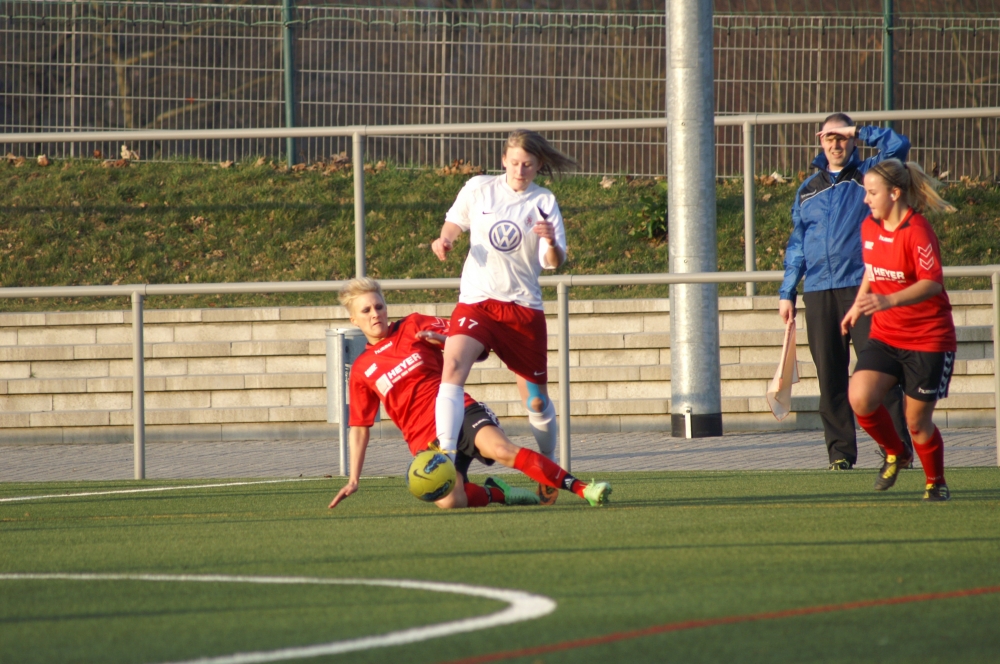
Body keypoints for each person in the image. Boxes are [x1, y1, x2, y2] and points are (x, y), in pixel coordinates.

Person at [327, 278, 612, 510]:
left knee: (502, 451)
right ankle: (498, 493)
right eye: (366, 311)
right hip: (423, 438)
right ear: (354, 319)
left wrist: (445, 341)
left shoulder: (414, 325)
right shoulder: (363, 368)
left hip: (458, 412)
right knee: (450, 500)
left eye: (379, 306)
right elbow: (360, 428)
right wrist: (354, 479)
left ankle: (583, 488)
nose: (375, 314)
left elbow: (472, 341)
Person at [431, 129, 577, 503]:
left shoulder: (544, 201)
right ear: (503, 160)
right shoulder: (479, 188)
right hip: (477, 301)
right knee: (452, 367)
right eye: (514, 163)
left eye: (528, 164)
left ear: (538, 165)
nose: (520, 170)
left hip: (522, 308)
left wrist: (550, 242)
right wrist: (445, 239)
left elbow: (553, 262)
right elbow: (455, 221)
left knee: (536, 402)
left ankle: (549, 464)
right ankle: (446, 453)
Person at [779, 113, 914, 470]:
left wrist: (859, 130)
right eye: (829, 138)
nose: (836, 145)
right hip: (820, 290)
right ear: (820, 141)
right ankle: (840, 454)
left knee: (880, 373)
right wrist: (787, 291)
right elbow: (797, 243)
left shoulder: (869, 176)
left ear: (851, 139)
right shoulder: (807, 189)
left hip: (862, 287)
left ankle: (898, 450)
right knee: (831, 379)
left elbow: (898, 145)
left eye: (842, 137)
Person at [841, 159, 956, 501]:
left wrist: (888, 302)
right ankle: (897, 453)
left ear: (895, 193)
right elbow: (873, 271)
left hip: (928, 338)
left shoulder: (917, 231)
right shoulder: (870, 228)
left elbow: (932, 284)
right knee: (860, 398)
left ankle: (935, 483)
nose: (866, 199)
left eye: (872, 193)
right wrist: (857, 305)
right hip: (887, 335)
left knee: (917, 422)